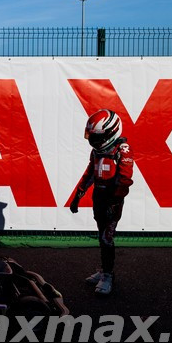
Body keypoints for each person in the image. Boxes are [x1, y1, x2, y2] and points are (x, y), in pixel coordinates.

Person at [70, 110, 134, 295]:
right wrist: (77, 196)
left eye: (97, 136)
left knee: (107, 238)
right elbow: (89, 173)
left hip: (112, 202)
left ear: (110, 132)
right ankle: (104, 270)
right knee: (101, 236)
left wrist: (115, 202)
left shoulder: (123, 149)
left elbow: (125, 179)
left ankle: (108, 275)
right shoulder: (96, 151)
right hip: (98, 198)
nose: (92, 140)